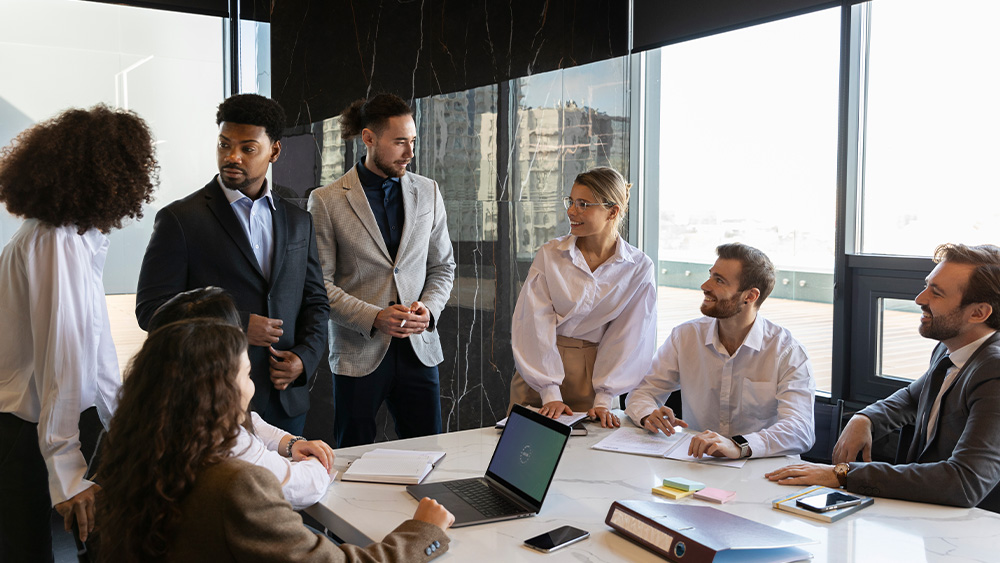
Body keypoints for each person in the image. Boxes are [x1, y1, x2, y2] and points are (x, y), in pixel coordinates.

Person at [96, 319, 454, 562]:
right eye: (246, 376)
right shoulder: (237, 485)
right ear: (216, 396)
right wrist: (423, 531)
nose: (251, 390)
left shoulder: (140, 454)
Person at [0, 105, 158, 560]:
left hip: (42, 425)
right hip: (22, 431)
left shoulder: (75, 238)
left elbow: (97, 352)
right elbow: (62, 364)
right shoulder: (55, 241)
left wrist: (128, 426)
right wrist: (68, 474)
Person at [135, 93, 329, 435]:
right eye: (224, 145)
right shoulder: (180, 220)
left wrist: (304, 359)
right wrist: (237, 325)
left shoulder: (299, 220)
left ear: (275, 151)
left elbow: (315, 300)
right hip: (212, 401)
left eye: (248, 148)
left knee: (287, 490)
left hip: (285, 400)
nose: (232, 156)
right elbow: (152, 310)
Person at [767, 244, 1000, 512]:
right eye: (927, 286)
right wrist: (864, 417)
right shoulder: (951, 347)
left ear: (978, 313)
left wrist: (843, 475)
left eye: (936, 293)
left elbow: (964, 482)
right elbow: (914, 396)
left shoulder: (994, 368)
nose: (920, 298)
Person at [308, 93, 455, 447]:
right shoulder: (327, 200)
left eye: (413, 141)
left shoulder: (429, 191)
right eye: (400, 142)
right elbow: (319, 285)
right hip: (359, 350)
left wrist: (429, 310)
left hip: (420, 349)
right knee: (351, 456)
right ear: (369, 139)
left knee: (427, 452)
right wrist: (375, 317)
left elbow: (443, 266)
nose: (410, 152)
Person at [148, 287, 335, 510]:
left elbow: (249, 421)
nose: (251, 387)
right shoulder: (225, 440)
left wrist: (292, 443)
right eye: (245, 374)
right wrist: (317, 463)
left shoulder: (157, 411)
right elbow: (301, 486)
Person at [625, 243, 816, 459]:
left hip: (762, 471)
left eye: (719, 281)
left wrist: (739, 446)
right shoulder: (685, 336)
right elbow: (643, 392)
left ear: (750, 296)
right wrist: (649, 414)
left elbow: (800, 430)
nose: (705, 286)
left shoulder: (788, 352)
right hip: (698, 464)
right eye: (711, 276)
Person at [508, 167, 656, 428]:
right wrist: (549, 391)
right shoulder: (551, 254)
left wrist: (604, 397)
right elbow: (533, 321)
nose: (571, 211)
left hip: (597, 374)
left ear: (613, 211)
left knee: (590, 462)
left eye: (583, 204)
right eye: (571, 201)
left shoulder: (639, 268)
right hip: (537, 368)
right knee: (525, 456)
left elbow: (628, 335)